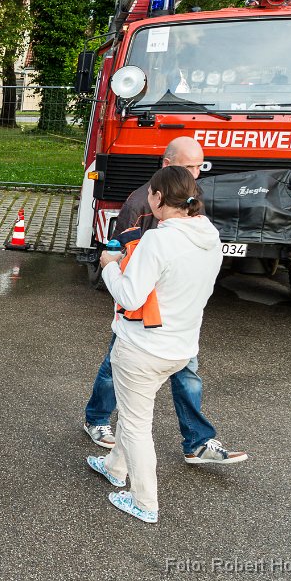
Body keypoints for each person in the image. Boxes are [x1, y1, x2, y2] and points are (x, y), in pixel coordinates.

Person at [83, 136, 247, 465]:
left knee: (186, 377)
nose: (196, 173)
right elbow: (119, 253)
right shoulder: (140, 204)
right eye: (188, 166)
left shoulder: (193, 203)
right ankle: (97, 420)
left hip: (176, 320)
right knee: (116, 372)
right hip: (140, 315)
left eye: (200, 166)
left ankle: (196, 442)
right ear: (167, 164)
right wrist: (116, 271)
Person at [86, 166, 223, 523]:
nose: (147, 197)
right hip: (181, 347)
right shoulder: (209, 236)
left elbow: (130, 297)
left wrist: (109, 265)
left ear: (159, 199)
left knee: (134, 424)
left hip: (142, 348)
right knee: (134, 410)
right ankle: (115, 468)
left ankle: (144, 501)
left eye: (150, 193)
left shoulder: (158, 241)